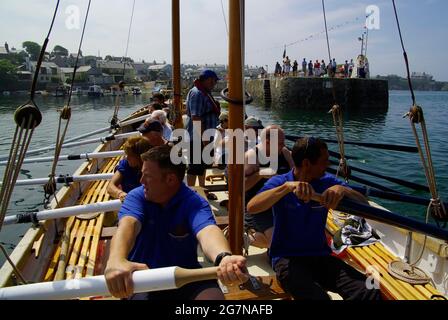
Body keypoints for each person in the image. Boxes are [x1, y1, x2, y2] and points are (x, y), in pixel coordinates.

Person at [105, 145, 249, 300]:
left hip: (186, 275)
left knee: (213, 297)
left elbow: (208, 231)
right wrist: (117, 259)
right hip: (143, 278)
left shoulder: (194, 202)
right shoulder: (137, 197)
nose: (141, 181)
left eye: (147, 176)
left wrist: (223, 258)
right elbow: (128, 226)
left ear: (170, 179)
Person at [247, 137, 382, 300]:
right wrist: (286, 189)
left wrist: (343, 190)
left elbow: (364, 204)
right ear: (306, 163)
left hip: (320, 257)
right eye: (324, 161)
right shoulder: (281, 182)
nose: (328, 165)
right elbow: (252, 207)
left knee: (368, 289)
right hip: (287, 259)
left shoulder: (327, 182)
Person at [244, 126, 294, 249]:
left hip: (281, 202)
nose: (283, 145)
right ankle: (243, 237)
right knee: (275, 243)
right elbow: (241, 187)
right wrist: (259, 174)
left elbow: (296, 172)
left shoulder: (285, 153)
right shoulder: (252, 157)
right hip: (258, 206)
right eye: (280, 143)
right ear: (267, 142)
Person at [186, 69, 221, 187]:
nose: (214, 83)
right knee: (194, 168)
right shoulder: (197, 94)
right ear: (207, 80)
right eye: (213, 81)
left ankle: (202, 189)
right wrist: (206, 143)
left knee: (201, 166)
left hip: (204, 137)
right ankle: (190, 193)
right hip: (197, 138)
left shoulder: (204, 92)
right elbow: (196, 119)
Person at [107, 136, 152, 202]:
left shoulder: (152, 168)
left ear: (140, 157)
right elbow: (110, 187)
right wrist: (120, 194)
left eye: (130, 155)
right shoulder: (126, 164)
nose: (127, 158)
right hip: (129, 201)